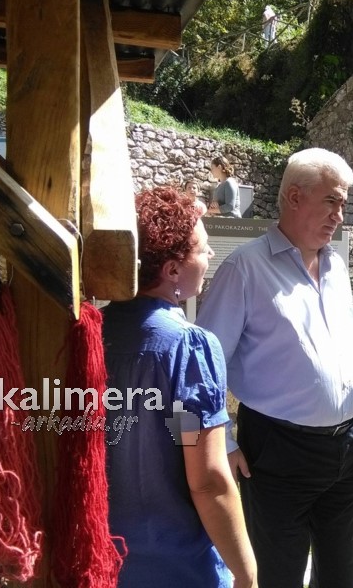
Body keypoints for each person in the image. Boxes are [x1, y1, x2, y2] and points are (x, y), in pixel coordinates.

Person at [197, 148, 353, 588]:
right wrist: (224, 442)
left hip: (350, 443)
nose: (340, 215)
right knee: (277, 574)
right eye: (331, 201)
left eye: (343, 203)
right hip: (279, 450)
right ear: (294, 197)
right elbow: (202, 366)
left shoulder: (335, 264)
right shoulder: (245, 268)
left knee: (341, 572)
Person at [103, 187, 257, 588]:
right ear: (172, 270)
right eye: (203, 249)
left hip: (99, 558)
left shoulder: (88, 335)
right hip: (177, 566)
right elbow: (207, 480)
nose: (210, 256)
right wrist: (247, 574)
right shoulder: (187, 349)